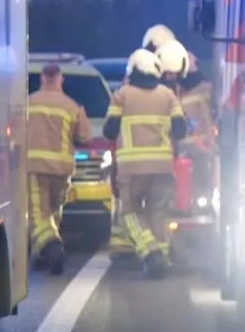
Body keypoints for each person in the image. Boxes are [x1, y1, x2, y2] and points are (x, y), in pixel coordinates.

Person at [103, 48, 186, 279]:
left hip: (132, 168)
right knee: (158, 212)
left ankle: (151, 253)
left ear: (133, 70)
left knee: (130, 212)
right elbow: (180, 130)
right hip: (163, 167)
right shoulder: (168, 95)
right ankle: (162, 260)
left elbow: (109, 130)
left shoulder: (122, 95)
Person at [25, 62, 92, 277]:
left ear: (42, 79)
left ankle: (53, 248)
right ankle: (43, 255)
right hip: (62, 170)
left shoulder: (28, 103)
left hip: (35, 167)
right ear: (61, 80)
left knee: (38, 215)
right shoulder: (72, 106)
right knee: (53, 213)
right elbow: (85, 136)